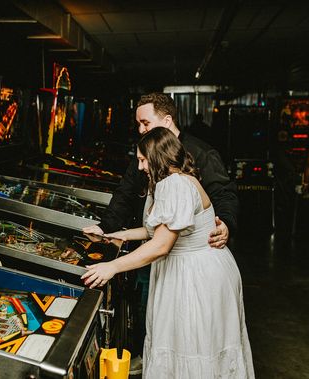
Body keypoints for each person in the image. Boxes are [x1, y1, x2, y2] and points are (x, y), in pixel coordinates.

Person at [83, 93, 239, 374]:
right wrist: (116, 234)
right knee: (178, 341)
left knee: (191, 345)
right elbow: (155, 226)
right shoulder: (169, 176)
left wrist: (111, 267)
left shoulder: (176, 183)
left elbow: (161, 245)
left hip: (194, 272)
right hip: (185, 267)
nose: (140, 167)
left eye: (143, 161)